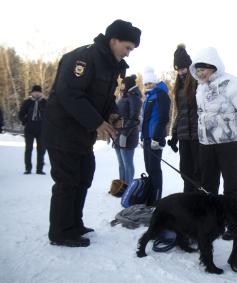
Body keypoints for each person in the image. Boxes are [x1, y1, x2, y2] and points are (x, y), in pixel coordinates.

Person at [42, 19, 141, 247]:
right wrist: (97, 122)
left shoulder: (109, 64)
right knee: (68, 180)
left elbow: (105, 100)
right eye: (127, 47)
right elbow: (70, 95)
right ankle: (60, 231)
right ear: (113, 41)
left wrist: (113, 116)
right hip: (63, 130)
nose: (129, 53)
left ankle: (74, 223)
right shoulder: (85, 58)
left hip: (80, 133)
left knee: (84, 175)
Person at [189, 47, 237, 240]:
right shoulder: (200, 88)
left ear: (214, 67)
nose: (200, 73)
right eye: (198, 69)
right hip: (206, 144)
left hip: (229, 144)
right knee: (208, 185)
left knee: (233, 185)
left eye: (203, 69)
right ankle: (210, 222)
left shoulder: (231, 83)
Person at [167, 44, 200, 193]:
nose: (180, 72)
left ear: (189, 66)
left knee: (198, 172)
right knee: (185, 172)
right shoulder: (178, 86)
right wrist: (174, 135)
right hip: (184, 137)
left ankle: (200, 203)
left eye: (183, 68)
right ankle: (188, 201)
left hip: (197, 136)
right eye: (178, 69)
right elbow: (180, 114)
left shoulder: (198, 83)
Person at [140, 66, 171, 205]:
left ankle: (156, 200)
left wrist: (157, 137)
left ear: (155, 82)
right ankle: (150, 198)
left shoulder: (160, 94)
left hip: (155, 139)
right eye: (146, 84)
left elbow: (163, 117)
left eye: (150, 83)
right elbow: (145, 119)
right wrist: (143, 136)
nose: (148, 86)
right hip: (147, 138)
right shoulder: (148, 97)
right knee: (149, 169)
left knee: (155, 169)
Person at [114, 75, 142, 186]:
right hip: (118, 133)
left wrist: (125, 134)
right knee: (121, 163)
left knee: (127, 163)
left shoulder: (134, 97)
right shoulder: (124, 96)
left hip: (128, 135)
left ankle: (129, 187)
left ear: (129, 85)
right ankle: (122, 186)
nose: (122, 86)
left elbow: (133, 117)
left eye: (123, 84)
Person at [18, 85, 47, 174]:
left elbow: (50, 115)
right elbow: (21, 114)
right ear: (32, 93)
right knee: (28, 149)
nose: (37, 94)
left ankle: (39, 169)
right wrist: (25, 121)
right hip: (30, 129)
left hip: (41, 129)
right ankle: (28, 168)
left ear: (41, 93)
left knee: (41, 150)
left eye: (38, 92)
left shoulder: (45, 102)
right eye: (35, 92)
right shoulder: (27, 102)